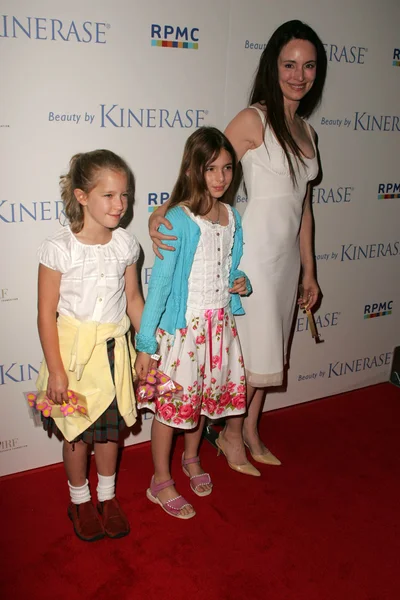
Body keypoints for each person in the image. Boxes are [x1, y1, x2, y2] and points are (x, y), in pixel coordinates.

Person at [149, 20, 327, 469]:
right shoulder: (254, 119)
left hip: (286, 259)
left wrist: (309, 270)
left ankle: (249, 429)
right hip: (253, 255)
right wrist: (163, 211)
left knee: (273, 349)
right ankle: (230, 434)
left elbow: (303, 207)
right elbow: (208, 169)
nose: (298, 75)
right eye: (289, 64)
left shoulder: (308, 132)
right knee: (251, 349)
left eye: (308, 66)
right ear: (273, 65)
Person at [134, 126, 260, 521]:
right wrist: (145, 343)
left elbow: (230, 267)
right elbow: (160, 287)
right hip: (183, 331)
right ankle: (159, 478)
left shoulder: (232, 217)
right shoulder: (177, 219)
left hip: (219, 327)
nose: (221, 178)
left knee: (201, 402)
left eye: (227, 168)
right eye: (211, 169)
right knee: (171, 409)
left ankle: (191, 458)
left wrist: (242, 283)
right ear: (193, 170)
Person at [36, 150, 143, 541]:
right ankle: (80, 500)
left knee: (110, 433)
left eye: (125, 195)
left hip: (114, 355)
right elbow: (46, 314)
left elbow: (133, 300)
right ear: (82, 196)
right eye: (110, 196)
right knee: (76, 433)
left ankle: (108, 497)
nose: (120, 205)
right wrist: (58, 371)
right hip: (72, 360)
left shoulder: (126, 245)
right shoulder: (59, 248)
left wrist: (146, 347)